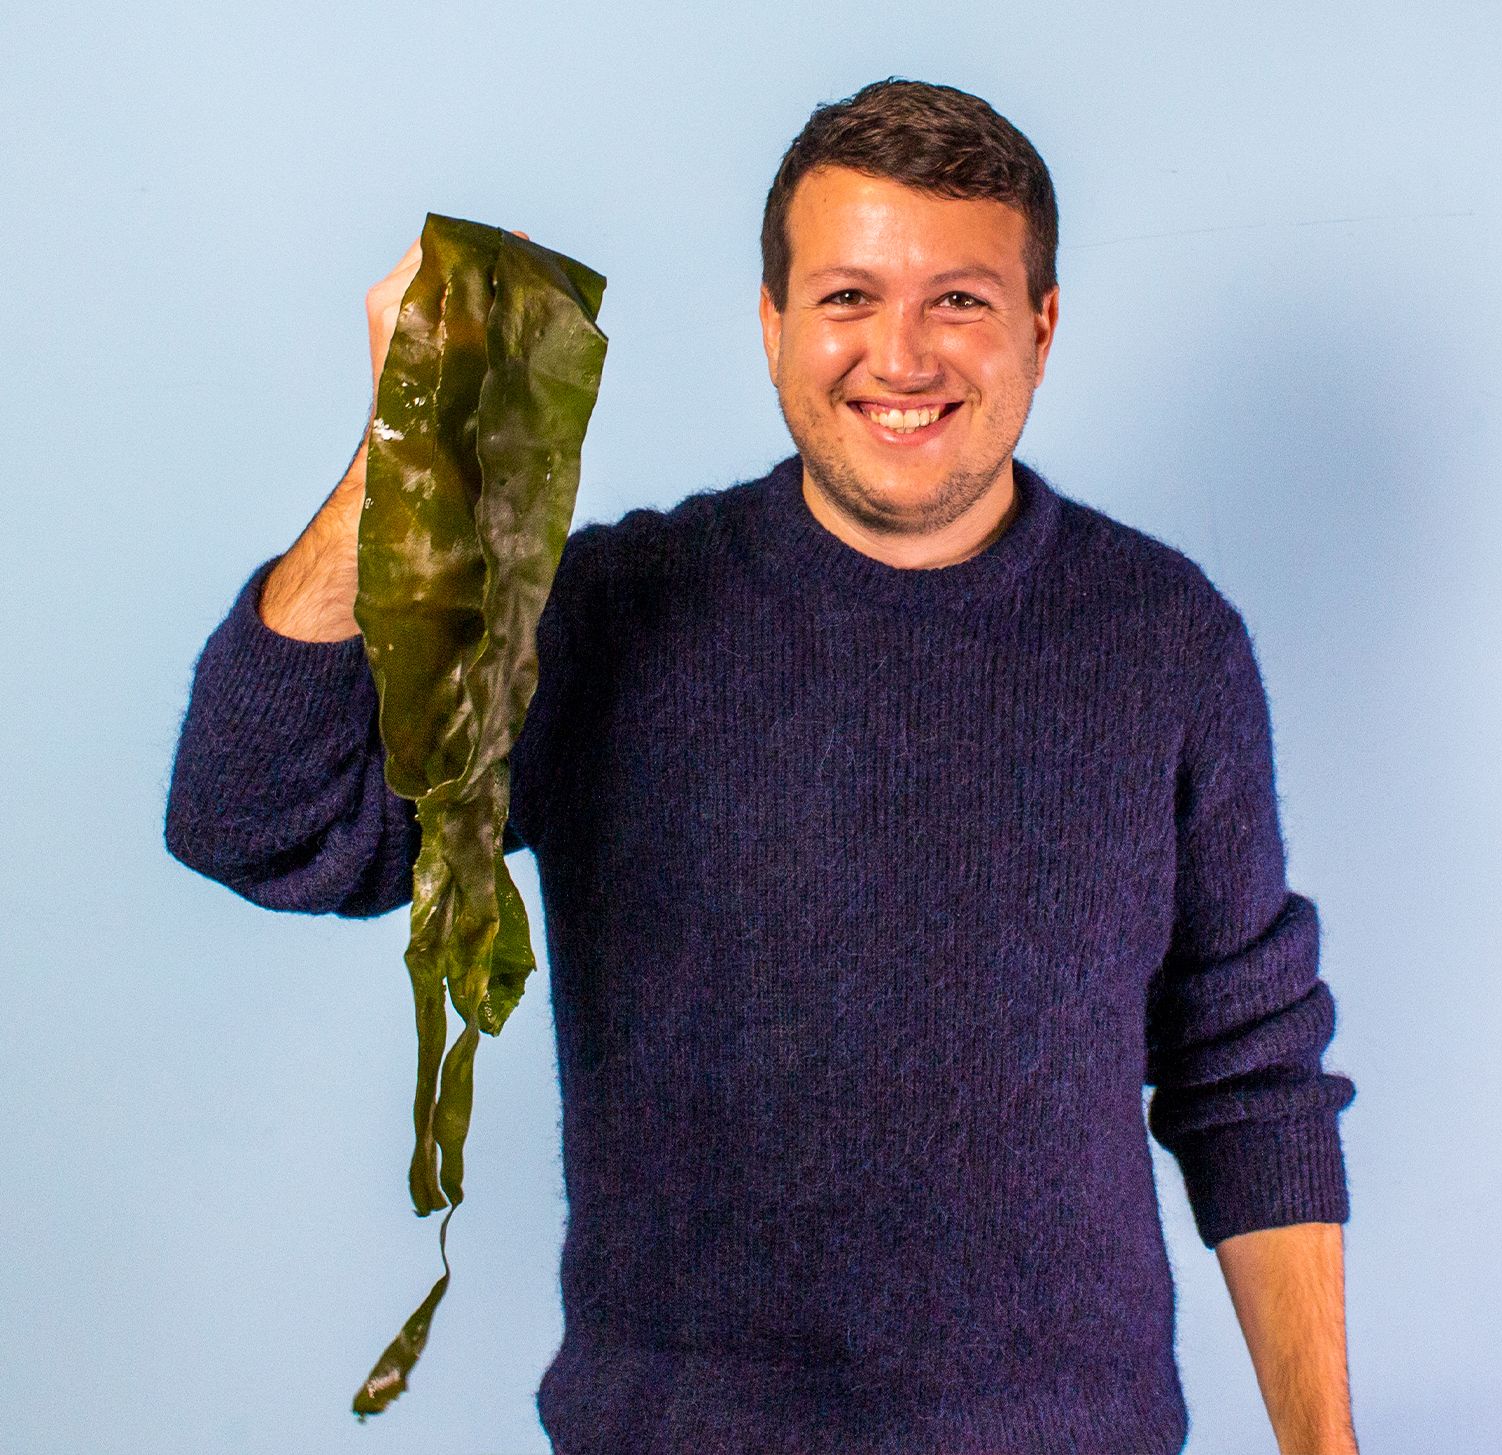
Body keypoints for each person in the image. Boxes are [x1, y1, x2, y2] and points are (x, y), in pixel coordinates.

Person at [166, 77, 1359, 1455]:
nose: (898, 356)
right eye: (847, 297)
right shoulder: (605, 614)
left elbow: (1248, 1072)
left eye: (957, 300)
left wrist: (1320, 1446)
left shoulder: (1166, 641)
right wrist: (404, 447)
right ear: (771, 325)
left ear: (1039, 327)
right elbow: (258, 821)